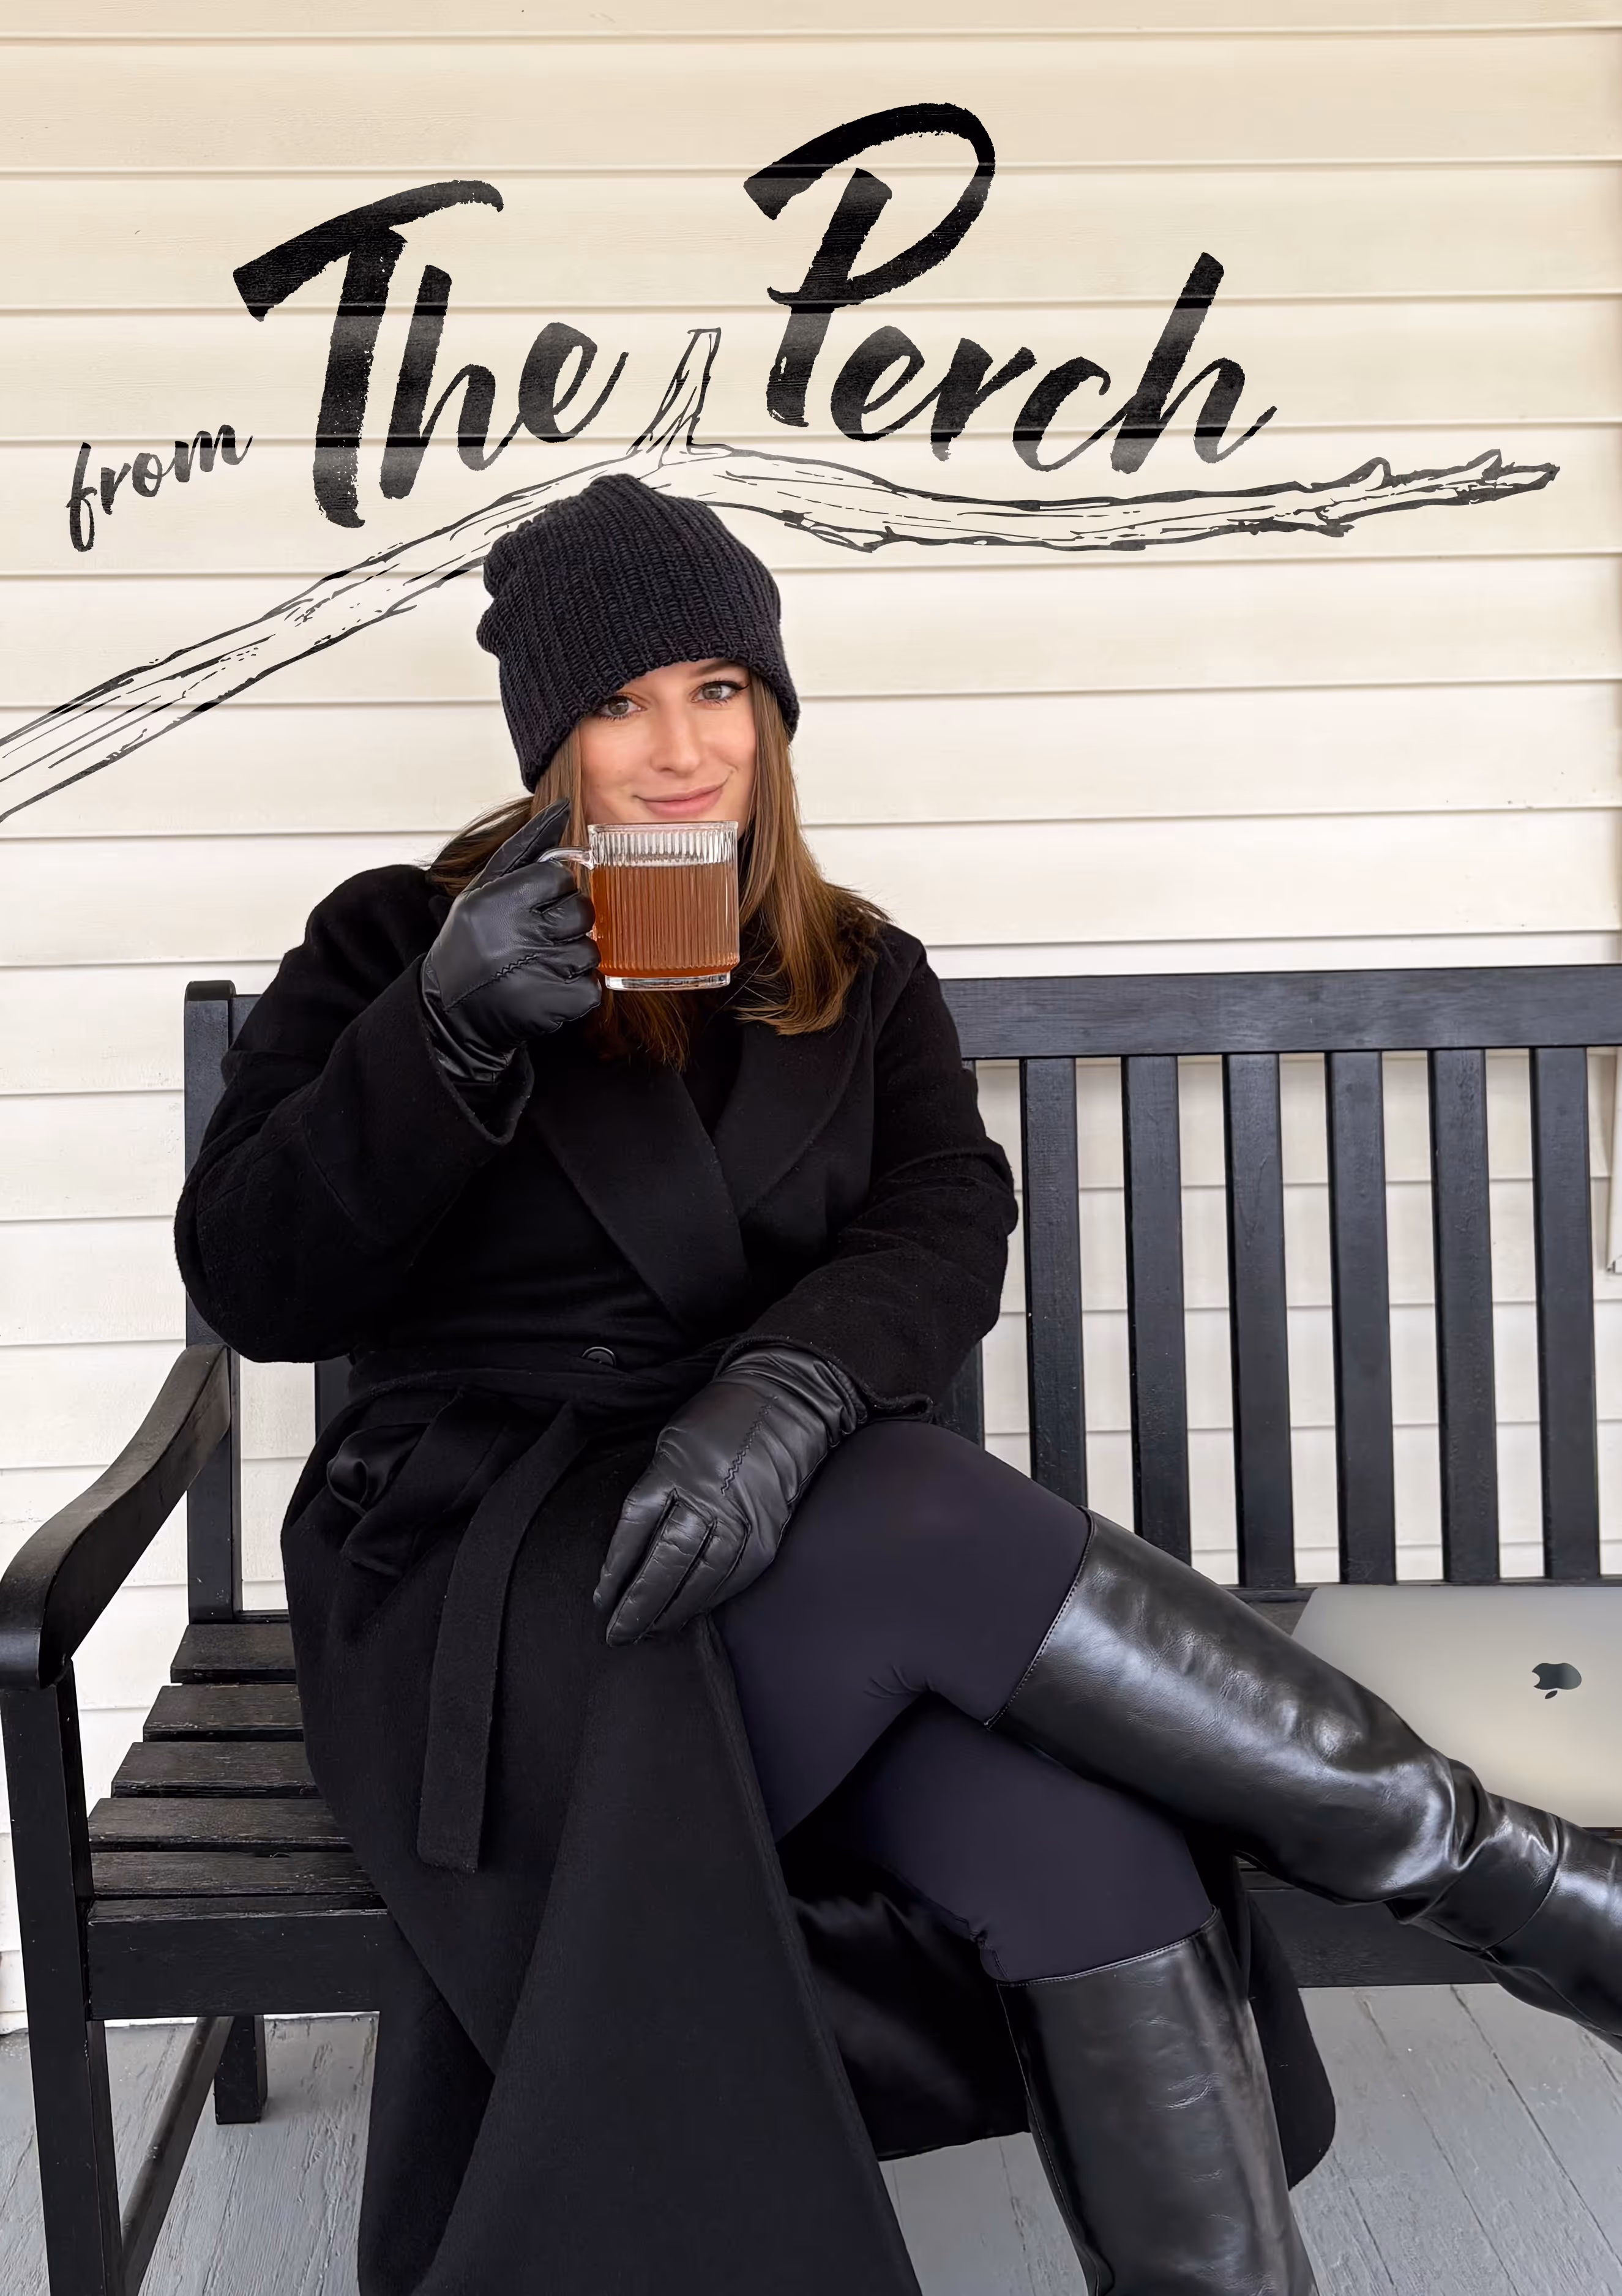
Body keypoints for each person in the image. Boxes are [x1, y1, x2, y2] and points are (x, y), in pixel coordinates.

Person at [175, 475, 1622, 2296]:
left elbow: (947, 1223)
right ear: (552, 744)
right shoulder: (400, 941)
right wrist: (446, 1031)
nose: (680, 746)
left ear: (774, 711)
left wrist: (778, 1395)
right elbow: (254, 1280)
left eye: (719, 688)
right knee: (910, 1496)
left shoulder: (853, 971)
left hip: (801, 1567)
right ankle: (1531, 1890)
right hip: (513, 1591)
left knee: (1081, 1831)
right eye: (619, 702)